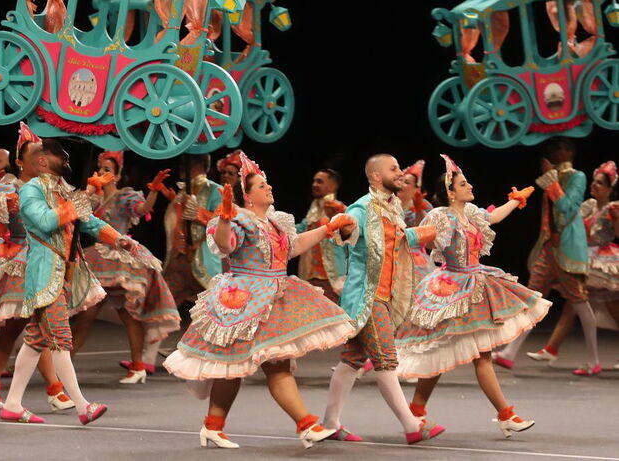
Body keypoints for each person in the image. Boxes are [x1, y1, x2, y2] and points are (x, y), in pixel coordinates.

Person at [163, 151, 356, 450]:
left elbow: (294, 247)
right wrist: (225, 218)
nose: (269, 188)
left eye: (267, 184)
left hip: (273, 294)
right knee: (242, 366)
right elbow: (226, 245)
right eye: (262, 185)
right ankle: (305, 424)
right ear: (248, 195)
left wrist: (327, 229)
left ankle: (216, 426)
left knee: (256, 366)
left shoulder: (275, 222)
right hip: (245, 300)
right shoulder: (239, 218)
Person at [395, 155, 548, 437]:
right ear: (451, 192)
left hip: (476, 283)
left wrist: (516, 199)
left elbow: (495, 216)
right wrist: (401, 233)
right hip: (452, 288)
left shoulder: (472, 213)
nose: (470, 186)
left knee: (464, 354)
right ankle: (506, 414)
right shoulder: (442, 216)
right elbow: (422, 236)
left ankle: (418, 411)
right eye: (464, 184)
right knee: (459, 353)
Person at [0, 136, 137, 425]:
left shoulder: (63, 191)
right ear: (42, 160)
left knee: (36, 340)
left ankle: (12, 403)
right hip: (43, 274)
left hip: (60, 274)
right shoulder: (31, 190)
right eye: (61, 154)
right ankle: (82, 406)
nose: (67, 159)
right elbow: (48, 221)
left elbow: (90, 222)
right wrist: (81, 197)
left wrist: (119, 239)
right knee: (61, 338)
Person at [321, 154, 446, 444]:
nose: (399, 172)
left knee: (352, 359)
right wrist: (346, 225)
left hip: (386, 295)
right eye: (393, 169)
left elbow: (400, 239)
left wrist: (432, 231)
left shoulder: (391, 208)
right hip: (368, 297)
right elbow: (346, 230)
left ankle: (329, 422)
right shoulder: (363, 208)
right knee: (386, 361)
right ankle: (412, 425)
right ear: (376, 177)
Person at [0, 124, 74, 413]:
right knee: (33, 322)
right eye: (35, 154)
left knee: (18, 328)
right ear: (22, 161)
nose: (41, 159)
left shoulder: (51, 187)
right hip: (18, 259)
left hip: (43, 259)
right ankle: (55, 389)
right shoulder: (7, 187)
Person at [69, 151, 180, 383]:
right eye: (100, 169)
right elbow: (74, 213)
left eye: (108, 169)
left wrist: (153, 191)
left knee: (128, 315)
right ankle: (64, 366)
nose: (102, 173)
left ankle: (138, 367)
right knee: (86, 316)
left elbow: (142, 210)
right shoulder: (94, 200)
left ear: (118, 176)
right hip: (99, 261)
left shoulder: (125, 195)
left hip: (120, 259)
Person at [493, 138, 601, 374]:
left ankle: (593, 361)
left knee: (581, 304)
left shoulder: (577, 177)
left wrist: (551, 180)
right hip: (548, 247)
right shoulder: (553, 178)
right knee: (532, 298)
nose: (557, 152)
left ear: (570, 151)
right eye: (553, 149)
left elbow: (566, 207)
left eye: (561, 148)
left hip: (567, 249)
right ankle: (509, 352)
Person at [524, 160, 619, 369]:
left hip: (603, 261)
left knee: (612, 309)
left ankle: (562, 352)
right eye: (593, 182)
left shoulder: (613, 208)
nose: (594, 186)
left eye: (600, 184)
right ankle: (552, 349)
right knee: (573, 306)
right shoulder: (589, 206)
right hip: (584, 257)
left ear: (610, 189)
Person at [162, 154, 223, 307]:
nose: (183, 165)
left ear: (203, 165)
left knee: (214, 314)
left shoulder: (216, 190)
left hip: (204, 263)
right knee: (161, 308)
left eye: (190, 161)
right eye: (183, 161)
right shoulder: (183, 193)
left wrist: (200, 214)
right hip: (179, 261)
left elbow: (225, 224)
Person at [296, 168, 348, 301]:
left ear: (332, 186)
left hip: (332, 280)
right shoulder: (311, 214)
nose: (314, 185)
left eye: (319, 182)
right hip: (308, 278)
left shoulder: (342, 211)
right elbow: (296, 232)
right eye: (314, 181)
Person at [398, 159, 435, 279]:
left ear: (416, 188)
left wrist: (419, 209)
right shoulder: (387, 203)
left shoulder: (424, 205)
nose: (401, 184)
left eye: (407, 182)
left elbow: (427, 235)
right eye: (400, 181)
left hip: (415, 258)